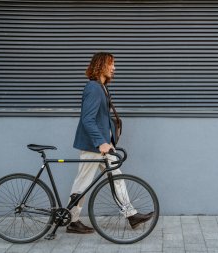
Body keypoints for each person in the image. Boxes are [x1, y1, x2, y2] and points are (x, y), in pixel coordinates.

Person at [66, 52, 153, 234]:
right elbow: (88, 119)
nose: (115, 68)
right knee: (82, 185)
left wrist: (109, 142)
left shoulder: (102, 88)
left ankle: (131, 215)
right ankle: (71, 220)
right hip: (92, 147)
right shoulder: (93, 88)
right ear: (101, 65)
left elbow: (101, 120)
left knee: (116, 177)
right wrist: (100, 143)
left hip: (101, 146)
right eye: (111, 64)